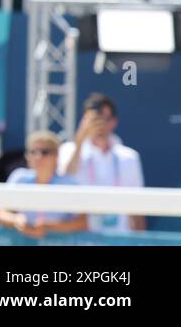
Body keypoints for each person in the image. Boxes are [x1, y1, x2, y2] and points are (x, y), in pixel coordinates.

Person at [58, 94, 146, 233]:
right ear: (84, 121)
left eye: (105, 119)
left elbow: (138, 207)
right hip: (79, 239)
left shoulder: (129, 157)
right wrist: (80, 139)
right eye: (94, 119)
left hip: (118, 238)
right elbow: (63, 182)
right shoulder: (69, 150)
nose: (100, 124)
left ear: (114, 122)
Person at [0, 130, 88, 240]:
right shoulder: (19, 178)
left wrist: (49, 227)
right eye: (33, 152)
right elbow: (0, 213)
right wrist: (16, 220)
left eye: (45, 152)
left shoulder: (68, 184)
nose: (38, 156)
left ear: (57, 156)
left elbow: (82, 222)